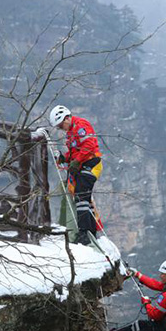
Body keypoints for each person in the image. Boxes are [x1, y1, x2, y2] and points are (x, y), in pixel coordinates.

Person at [49, 105, 103, 245]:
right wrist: (64, 158)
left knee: (81, 195)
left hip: (92, 163)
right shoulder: (70, 133)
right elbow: (74, 152)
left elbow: (89, 145)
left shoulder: (80, 125)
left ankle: (84, 232)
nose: (61, 128)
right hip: (83, 164)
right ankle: (91, 231)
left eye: (61, 125)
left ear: (67, 118)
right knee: (82, 197)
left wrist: (76, 161)